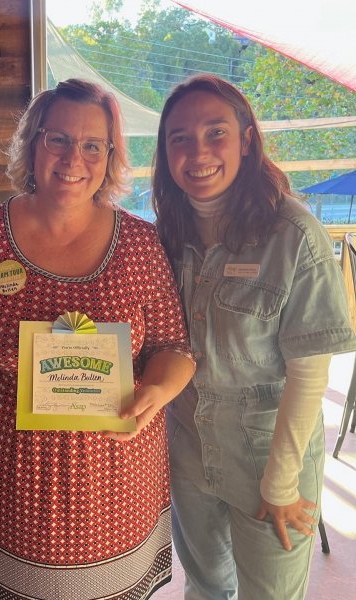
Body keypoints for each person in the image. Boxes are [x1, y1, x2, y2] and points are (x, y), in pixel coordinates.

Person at [0, 78, 196, 599]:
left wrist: (153, 396)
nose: (73, 158)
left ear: (110, 156)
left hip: (113, 476)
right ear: (33, 142)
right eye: (58, 139)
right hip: (12, 476)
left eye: (93, 145)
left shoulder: (139, 241)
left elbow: (174, 348)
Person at [152, 73, 356, 600]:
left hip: (268, 461)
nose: (198, 152)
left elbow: (310, 372)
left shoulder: (293, 234)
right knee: (205, 586)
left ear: (246, 139)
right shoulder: (164, 233)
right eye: (180, 138)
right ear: (164, 152)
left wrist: (282, 482)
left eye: (215, 132)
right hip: (191, 453)